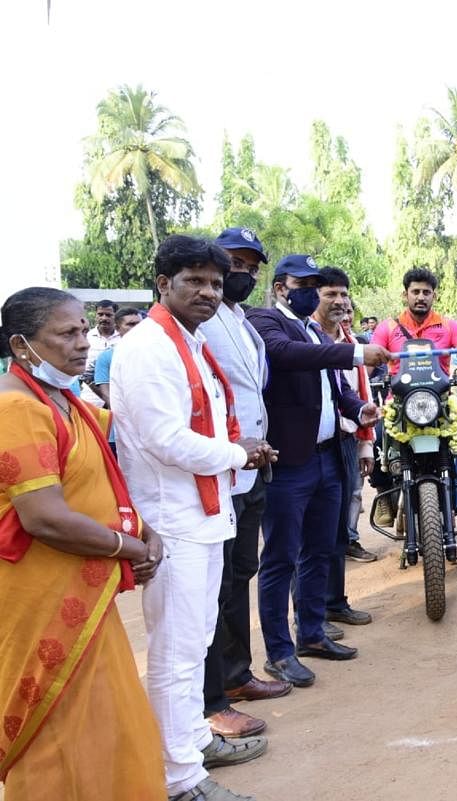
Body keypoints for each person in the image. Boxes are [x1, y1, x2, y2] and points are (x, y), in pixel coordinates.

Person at [113, 235, 278, 801]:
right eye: (195, 282)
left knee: (196, 640)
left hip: (205, 514)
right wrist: (241, 453)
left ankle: (189, 742)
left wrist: (235, 449)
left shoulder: (189, 341)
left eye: (214, 281)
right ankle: (179, 779)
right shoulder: (149, 347)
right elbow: (166, 440)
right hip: (174, 522)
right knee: (177, 651)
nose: (209, 292)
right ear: (163, 284)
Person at [0, 287, 166, 799]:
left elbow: (100, 483)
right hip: (44, 597)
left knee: (105, 721)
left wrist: (144, 531)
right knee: (55, 731)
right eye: (66, 333)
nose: (82, 344)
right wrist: (128, 547)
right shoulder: (17, 409)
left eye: (81, 330)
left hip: (84, 597)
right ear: (23, 346)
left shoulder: (66, 400)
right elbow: (45, 517)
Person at [249, 255, 387, 689]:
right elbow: (288, 357)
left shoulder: (312, 329)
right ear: (279, 288)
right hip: (289, 463)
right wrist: (356, 352)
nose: (309, 290)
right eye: (301, 283)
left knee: (322, 549)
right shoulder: (266, 322)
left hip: (329, 457)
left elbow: (336, 389)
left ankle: (311, 633)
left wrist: (359, 408)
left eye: (315, 283)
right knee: (281, 558)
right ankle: (279, 651)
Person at [198, 227, 292, 743]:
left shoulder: (239, 321)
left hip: (251, 468)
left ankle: (237, 675)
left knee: (240, 573)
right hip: (220, 470)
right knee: (217, 584)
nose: (242, 274)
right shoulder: (196, 327)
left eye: (250, 266)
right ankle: (216, 695)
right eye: (233, 263)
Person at [370, 268, 457, 525]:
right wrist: (360, 381)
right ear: (405, 295)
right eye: (415, 291)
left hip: (441, 404)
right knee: (375, 436)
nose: (421, 297)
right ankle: (383, 494)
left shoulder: (449, 325)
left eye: (426, 292)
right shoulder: (387, 328)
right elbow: (370, 359)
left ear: (434, 296)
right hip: (397, 404)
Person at [313, 266, 380, 635]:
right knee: (313, 536)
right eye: (330, 295)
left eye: (343, 295)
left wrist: (366, 440)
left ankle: (335, 603)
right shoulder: (305, 337)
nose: (339, 302)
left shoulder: (352, 340)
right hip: (312, 448)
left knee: (339, 529)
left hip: (347, 442)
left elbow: (359, 395)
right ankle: (312, 615)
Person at [91, 307, 141, 409]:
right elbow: (106, 393)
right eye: (131, 324)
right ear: (117, 329)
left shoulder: (154, 352)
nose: (137, 328)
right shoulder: (106, 356)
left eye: (140, 324)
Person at [80, 299, 119, 407]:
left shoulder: (123, 337)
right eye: (100, 314)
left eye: (108, 315)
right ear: (95, 316)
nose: (104, 318)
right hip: (90, 397)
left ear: (115, 316)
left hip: (116, 396)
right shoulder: (85, 337)